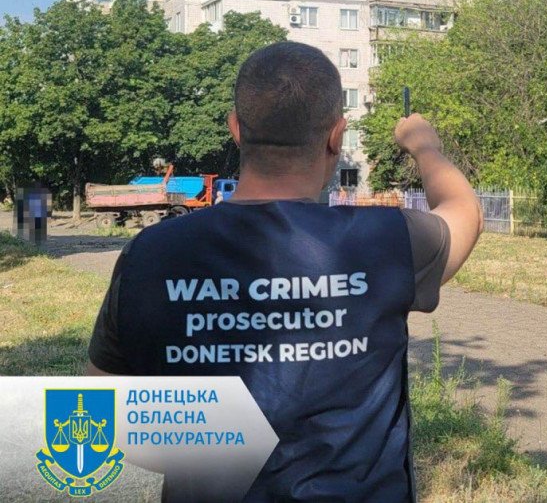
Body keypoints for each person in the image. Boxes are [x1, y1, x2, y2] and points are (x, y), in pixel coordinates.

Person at [86, 42, 484, 502]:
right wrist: (424, 146)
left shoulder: (149, 255)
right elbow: (464, 214)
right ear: (337, 136)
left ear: (236, 129)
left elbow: (106, 409)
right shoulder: (387, 241)